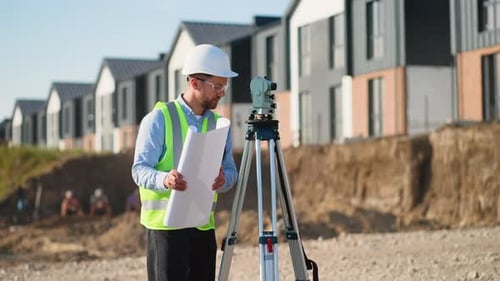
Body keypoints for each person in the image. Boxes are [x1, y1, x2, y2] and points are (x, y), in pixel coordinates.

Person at [131, 44, 238, 281]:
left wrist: (224, 179)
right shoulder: (159, 119)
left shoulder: (220, 124)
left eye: (224, 86)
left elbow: (231, 172)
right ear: (195, 83)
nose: (222, 92)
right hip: (166, 231)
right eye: (217, 86)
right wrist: (165, 179)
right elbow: (139, 169)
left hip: (202, 227)